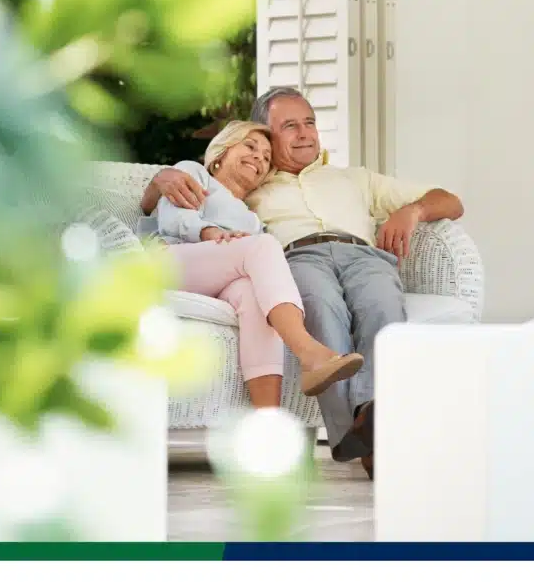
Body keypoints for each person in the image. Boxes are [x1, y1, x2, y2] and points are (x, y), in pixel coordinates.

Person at [140, 88, 464, 479]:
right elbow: (164, 204)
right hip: (297, 257)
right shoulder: (250, 190)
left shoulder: (350, 179)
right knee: (320, 306)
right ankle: (353, 431)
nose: (305, 133)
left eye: (309, 122)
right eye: (289, 126)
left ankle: (302, 428)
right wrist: (162, 180)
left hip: (363, 255)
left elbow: (451, 201)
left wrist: (413, 210)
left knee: (382, 306)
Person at [136, 119, 364, 410]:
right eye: (250, 146)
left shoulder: (252, 219)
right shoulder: (195, 173)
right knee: (263, 247)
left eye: (266, 157)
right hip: (169, 260)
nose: (259, 156)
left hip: (216, 277)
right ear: (219, 155)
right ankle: (309, 352)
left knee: (254, 295)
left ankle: (267, 422)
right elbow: (173, 217)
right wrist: (210, 232)